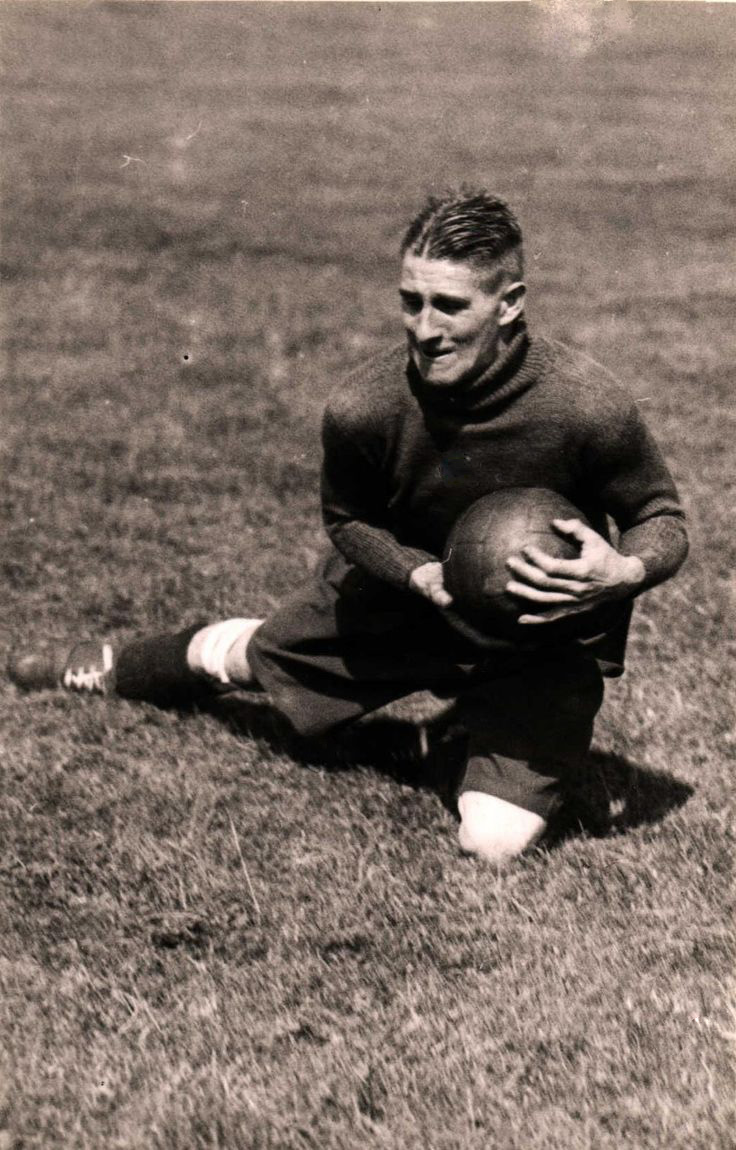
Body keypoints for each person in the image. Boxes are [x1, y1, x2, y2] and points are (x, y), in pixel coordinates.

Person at [9, 190, 688, 862]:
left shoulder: (585, 404)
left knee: (492, 844)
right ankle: (114, 668)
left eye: (451, 306)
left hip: (539, 636)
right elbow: (348, 520)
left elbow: (660, 517)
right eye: (411, 301)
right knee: (245, 661)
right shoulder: (367, 405)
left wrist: (623, 571)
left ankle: (460, 734)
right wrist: (418, 575)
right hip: (401, 601)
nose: (425, 329)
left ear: (509, 303)